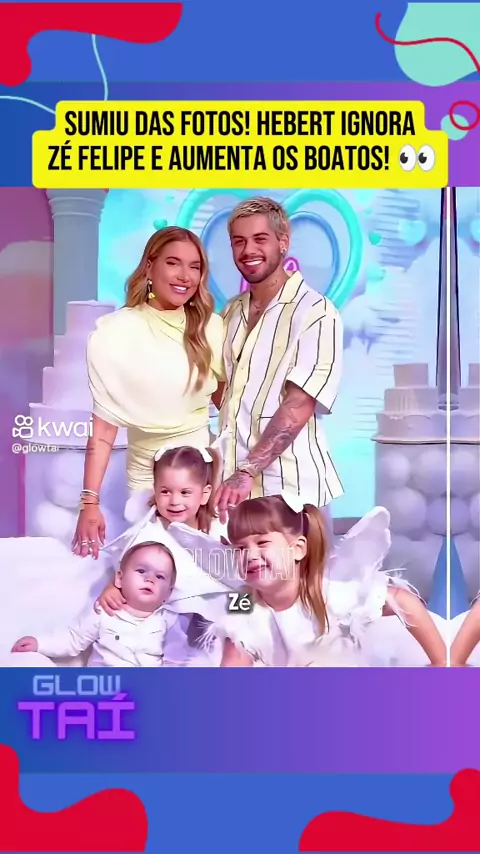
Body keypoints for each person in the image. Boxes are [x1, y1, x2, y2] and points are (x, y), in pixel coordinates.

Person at [73, 226, 224, 559]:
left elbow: (230, 410)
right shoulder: (118, 332)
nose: (185, 275)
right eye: (173, 263)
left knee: (201, 568)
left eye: (195, 266)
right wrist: (89, 502)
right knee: (151, 567)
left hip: (199, 476)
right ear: (150, 266)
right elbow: (103, 433)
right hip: (147, 477)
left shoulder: (211, 328)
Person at [213, 197, 343, 523]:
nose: (248, 250)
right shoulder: (231, 312)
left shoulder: (316, 311)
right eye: (239, 241)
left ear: (283, 242)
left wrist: (247, 470)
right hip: (232, 493)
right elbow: (224, 395)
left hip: (293, 489)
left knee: (294, 561)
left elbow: (299, 404)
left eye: (260, 239)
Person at [201, 495, 447, 667]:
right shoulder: (243, 599)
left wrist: (442, 662)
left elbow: (402, 600)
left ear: (297, 549)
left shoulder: (331, 590)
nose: (250, 555)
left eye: (262, 543)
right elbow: (235, 652)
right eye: (240, 548)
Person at [97, 444, 227, 614]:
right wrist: (114, 587)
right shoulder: (149, 535)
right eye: (165, 492)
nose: (174, 501)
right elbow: (129, 568)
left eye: (185, 492)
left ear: (204, 494)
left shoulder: (219, 529)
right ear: (156, 490)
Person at [12, 541, 177, 666]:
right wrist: (40, 644)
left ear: (168, 593)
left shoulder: (168, 622)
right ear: (119, 579)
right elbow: (73, 640)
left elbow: (179, 660)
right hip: (105, 686)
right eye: (141, 571)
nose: (149, 579)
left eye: (160, 576)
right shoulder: (105, 611)